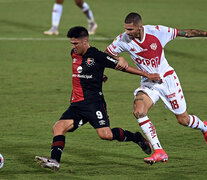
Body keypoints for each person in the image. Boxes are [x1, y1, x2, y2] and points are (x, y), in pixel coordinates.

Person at [35, 26, 162, 170]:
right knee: (58, 127)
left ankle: (136, 137)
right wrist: (99, 75)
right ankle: (55, 161)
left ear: (85, 41)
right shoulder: (73, 54)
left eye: (76, 44)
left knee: (105, 135)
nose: (73, 47)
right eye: (71, 43)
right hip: (76, 104)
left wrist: (147, 75)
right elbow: (85, 71)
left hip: (94, 104)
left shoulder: (96, 55)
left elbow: (122, 66)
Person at [106, 12, 207, 165]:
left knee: (183, 120)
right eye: (125, 29)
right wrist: (118, 57)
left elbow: (186, 33)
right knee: (139, 111)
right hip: (148, 82)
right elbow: (107, 53)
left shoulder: (157, 32)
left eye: (130, 30)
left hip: (167, 80)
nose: (127, 33)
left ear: (140, 27)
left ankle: (204, 127)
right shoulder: (123, 39)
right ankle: (159, 151)